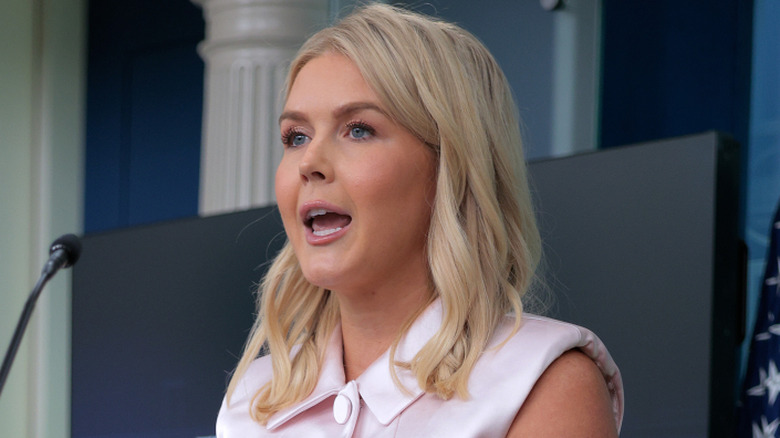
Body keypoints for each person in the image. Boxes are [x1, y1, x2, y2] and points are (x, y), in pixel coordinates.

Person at [216, 3, 623, 437]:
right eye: (296, 137)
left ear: (451, 164)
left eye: (358, 129)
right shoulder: (253, 399)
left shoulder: (544, 380)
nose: (309, 162)